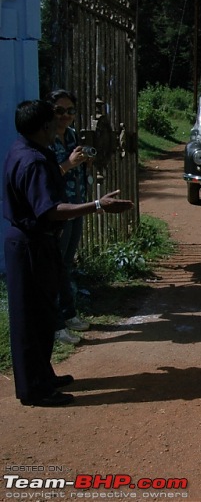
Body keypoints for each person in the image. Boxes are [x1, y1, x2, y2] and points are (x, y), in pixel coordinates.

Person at [4, 100, 133, 407]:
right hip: (30, 245)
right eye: (54, 122)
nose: (59, 126)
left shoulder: (28, 151)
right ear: (44, 127)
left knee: (45, 314)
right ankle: (34, 389)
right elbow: (51, 210)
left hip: (37, 243)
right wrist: (99, 205)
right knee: (31, 319)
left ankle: (43, 375)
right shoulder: (32, 161)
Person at [46, 89, 92, 345]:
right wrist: (68, 164)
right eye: (60, 111)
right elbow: (46, 175)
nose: (65, 116)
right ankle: (56, 326)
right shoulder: (46, 138)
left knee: (65, 264)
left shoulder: (73, 135)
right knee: (54, 267)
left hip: (76, 206)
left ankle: (69, 314)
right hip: (58, 210)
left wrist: (84, 163)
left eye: (70, 111)